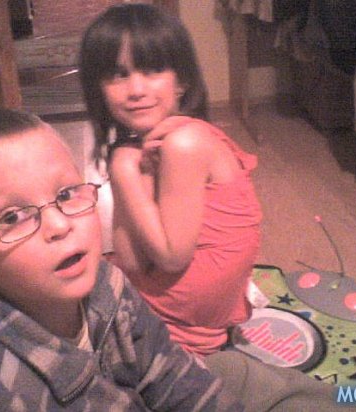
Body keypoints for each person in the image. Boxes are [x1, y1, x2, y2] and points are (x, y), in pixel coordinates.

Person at [0, 108, 239, 411]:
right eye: (12, 217)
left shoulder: (107, 281)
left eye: (65, 194)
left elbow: (169, 373)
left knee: (246, 373)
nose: (60, 225)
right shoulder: (5, 396)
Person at [80, 2, 262, 357]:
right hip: (174, 310)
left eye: (152, 70)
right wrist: (132, 170)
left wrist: (123, 172)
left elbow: (171, 258)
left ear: (182, 81)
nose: (136, 89)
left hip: (186, 324)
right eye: (118, 74)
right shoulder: (146, 149)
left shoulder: (185, 143)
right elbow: (132, 262)